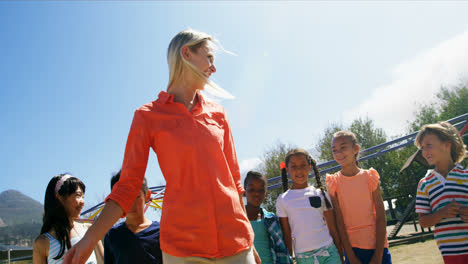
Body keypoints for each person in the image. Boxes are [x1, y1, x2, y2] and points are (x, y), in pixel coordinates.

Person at [64, 29, 258, 264]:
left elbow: (234, 182)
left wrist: (249, 239)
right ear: (186, 53)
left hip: (236, 244)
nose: (213, 68)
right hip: (182, 249)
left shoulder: (219, 114)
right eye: (209, 58)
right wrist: (89, 240)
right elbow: (127, 187)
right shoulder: (147, 116)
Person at [325, 131, 391, 264]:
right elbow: (339, 223)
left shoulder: (370, 177)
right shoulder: (333, 183)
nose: (338, 153)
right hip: (353, 250)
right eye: (334, 150)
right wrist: (351, 256)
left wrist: (378, 255)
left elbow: (380, 217)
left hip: (378, 247)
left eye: (343, 147)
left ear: (355, 149)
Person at [276, 148, 343, 264]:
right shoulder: (282, 200)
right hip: (303, 259)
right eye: (294, 167)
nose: (299, 170)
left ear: (309, 167)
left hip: (329, 253)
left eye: (303, 165)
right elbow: (287, 235)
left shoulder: (321, 194)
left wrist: (341, 256)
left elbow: (333, 229)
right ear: (287, 170)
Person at [414, 121, 468, 264]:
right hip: (450, 253)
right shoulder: (425, 184)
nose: (424, 152)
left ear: (447, 144)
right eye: (422, 148)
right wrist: (441, 213)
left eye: (428, 145)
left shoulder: (466, 176)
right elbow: (423, 221)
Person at [33, 174, 104, 264]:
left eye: (83, 197)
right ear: (60, 198)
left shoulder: (90, 230)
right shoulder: (42, 243)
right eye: (78, 195)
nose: (83, 202)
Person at [103, 171, 162, 264]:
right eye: (124, 198)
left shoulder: (160, 232)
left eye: (136, 197)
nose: (131, 203)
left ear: (147, 195)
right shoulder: (112, 236)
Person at [244, 171, 293, 264]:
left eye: (261, 190)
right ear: (244, 192)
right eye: (251, 189)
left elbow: (282, 247)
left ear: (266, 194)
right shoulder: (237, 220)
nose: (256, 194)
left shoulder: (271, 220)